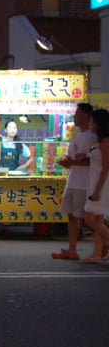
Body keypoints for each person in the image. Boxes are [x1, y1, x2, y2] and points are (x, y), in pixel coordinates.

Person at [51, 103, 95, 260]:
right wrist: (65, 160)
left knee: (89, 219)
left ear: (86, 116)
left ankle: (102, 245)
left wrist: (71, 162)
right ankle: (72, 249)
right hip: (73, 181)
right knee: (72, 216)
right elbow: (72, 157)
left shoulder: (91, 137)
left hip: (84, 183)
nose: (75, 117)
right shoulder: (76, 135)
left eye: (77, 114)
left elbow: (91, 160)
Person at [80, 108, 109, 264]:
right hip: (95, 181)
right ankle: (97, 254)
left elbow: (106, 167)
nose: (90, 124)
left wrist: (97, 190)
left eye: (92, 121)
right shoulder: (98, 140)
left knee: (90, 219)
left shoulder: (106, 141)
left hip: (102, 183)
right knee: (98, 219)